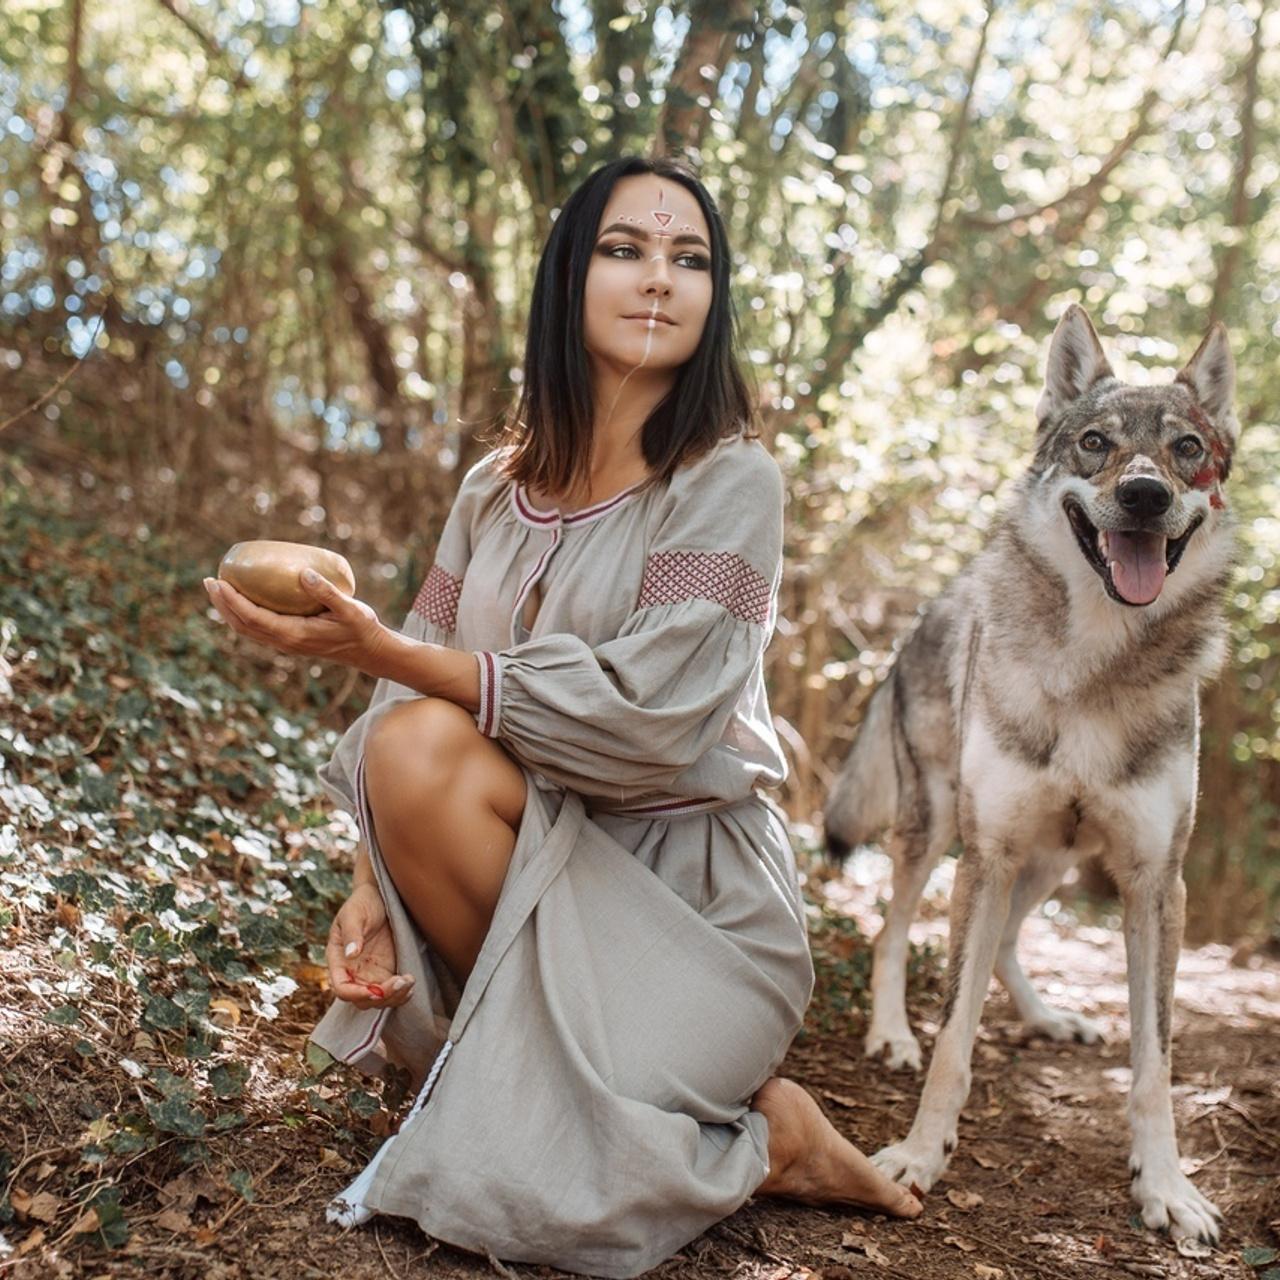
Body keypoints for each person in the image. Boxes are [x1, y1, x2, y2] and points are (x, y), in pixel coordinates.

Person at [204, 155, 920, 1278]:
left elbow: (648, 723)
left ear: (712, 296)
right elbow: (409, 701)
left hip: (690, 910)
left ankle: (760, 1132)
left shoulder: (731, 481)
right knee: (414, 746)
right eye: (623, 249)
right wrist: (368, 882)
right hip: (522, 856)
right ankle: (676, 1113)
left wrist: (388, 645)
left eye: (689, 259)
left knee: (521, 1192)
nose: (658, 278)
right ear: (567, 278)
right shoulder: (495, 487)